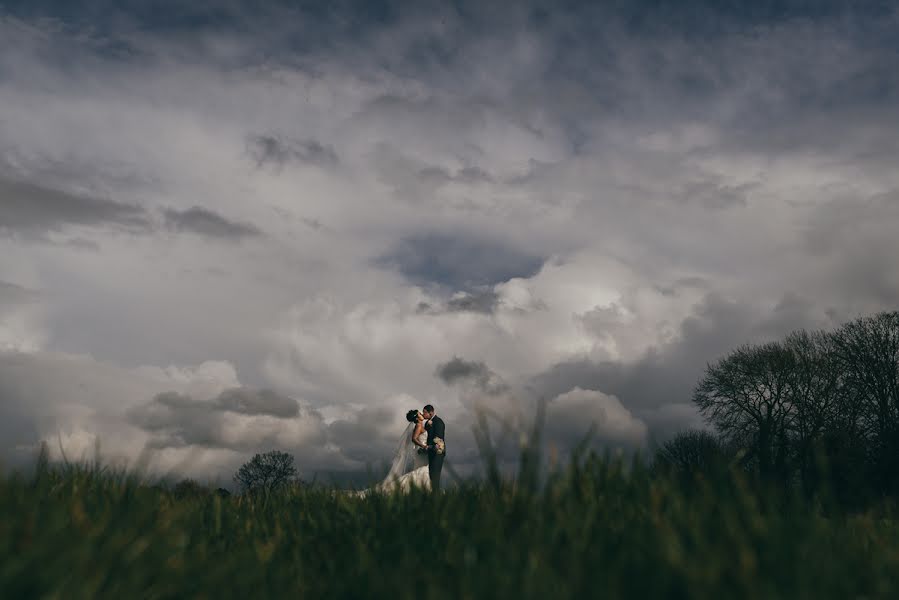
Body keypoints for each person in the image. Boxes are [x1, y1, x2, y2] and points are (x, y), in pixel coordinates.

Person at [422, 404, 446, 492]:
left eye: (424, 412)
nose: (423, 414)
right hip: (432, 452)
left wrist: (428, 447)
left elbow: (439, 440)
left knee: (435, 477)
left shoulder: (438, 422)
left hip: (438, 453)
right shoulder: (429, 423)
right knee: (431, 476)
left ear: (431, 413)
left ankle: (436, 497)